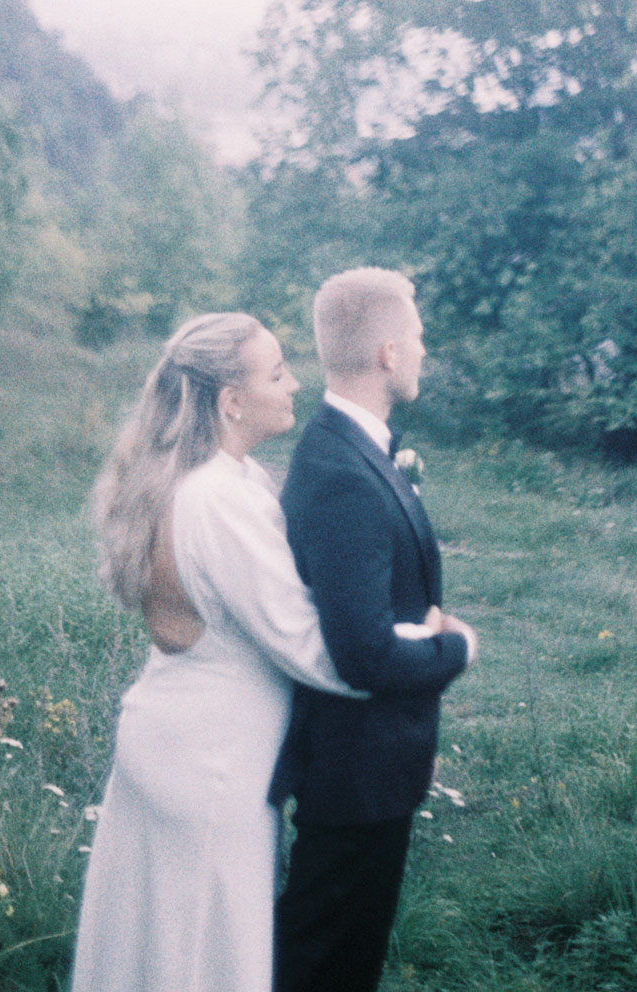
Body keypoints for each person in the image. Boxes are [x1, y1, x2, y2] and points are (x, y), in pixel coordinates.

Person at [70, 311, 366, 992]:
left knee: (152, 946)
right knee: (201, 954)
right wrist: (411, 652)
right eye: (275, 372)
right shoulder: (217, 498)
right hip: (211, 763)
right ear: (231, 400)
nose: (294, 383)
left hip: (173, 738)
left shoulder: (213, 480)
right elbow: (307, 647)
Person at [271, 268, 478, 992]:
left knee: (340, 961)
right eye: (417, 338)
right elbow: (362, 651)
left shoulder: (355, 451)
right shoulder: (340, 473)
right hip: (351, 776)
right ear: (388, 351)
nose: (425, 352)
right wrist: (455, 646)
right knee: (321, 965)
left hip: (371, 775)